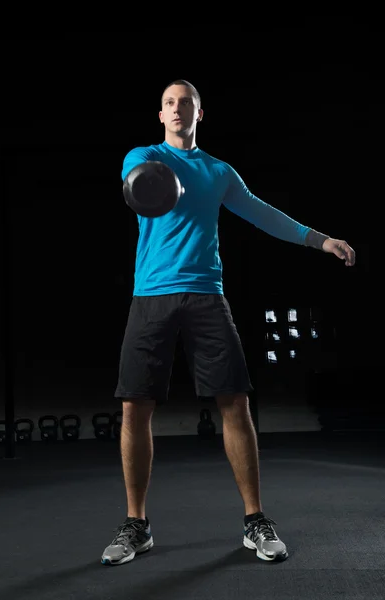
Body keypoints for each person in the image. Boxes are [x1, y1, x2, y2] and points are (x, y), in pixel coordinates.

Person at [101, 79, 355, 566]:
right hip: (150, 297)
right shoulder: (143, 157)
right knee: (135, 407)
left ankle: (255, 520)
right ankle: (137, 524)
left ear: (201, 113)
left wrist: (319, 239)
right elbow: (138, 184)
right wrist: (152, 181)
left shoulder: (218, 172)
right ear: (160, 115)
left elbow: (261, 213)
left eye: (186, 103)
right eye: (169, 103)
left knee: (235, 403)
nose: (178, 109)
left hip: (206, 296)